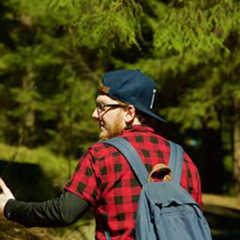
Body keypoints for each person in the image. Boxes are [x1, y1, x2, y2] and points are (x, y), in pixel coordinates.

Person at [0, 69, 203, 239]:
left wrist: (10, 208)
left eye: (102, 106)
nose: (94, 114)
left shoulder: (103, 154)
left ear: (129, 112)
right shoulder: (184, 160)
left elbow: (63, 213)